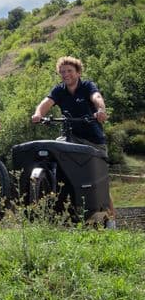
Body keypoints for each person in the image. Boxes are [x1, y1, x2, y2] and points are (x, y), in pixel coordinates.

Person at [31, 55, 115, 223]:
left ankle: (111, 219)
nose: (65, 74)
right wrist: (38, 114)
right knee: (54, 149)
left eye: (69, 71)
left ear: (78, 72)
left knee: (100, 183)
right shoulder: (59, 90)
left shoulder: (87, 86)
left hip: (93, 141)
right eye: (62, 72)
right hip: (71, 137)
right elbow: (46, 103)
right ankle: (50, 184)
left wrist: (101, 110)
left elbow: (97, 98)